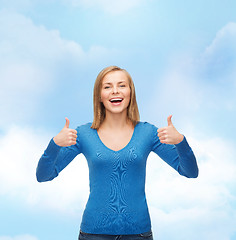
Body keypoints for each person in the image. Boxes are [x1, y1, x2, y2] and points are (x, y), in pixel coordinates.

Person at [36, 66, 199, 240]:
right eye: (107, 87)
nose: (115, 91)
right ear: (99, 95)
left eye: (121, 85)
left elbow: (190, 172)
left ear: (131, 92)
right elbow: (44, 176)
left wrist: (181, 141)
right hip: (93, 234)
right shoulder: (83, 134)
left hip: (139, 234)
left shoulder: (148, 133)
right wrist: (54, 144)